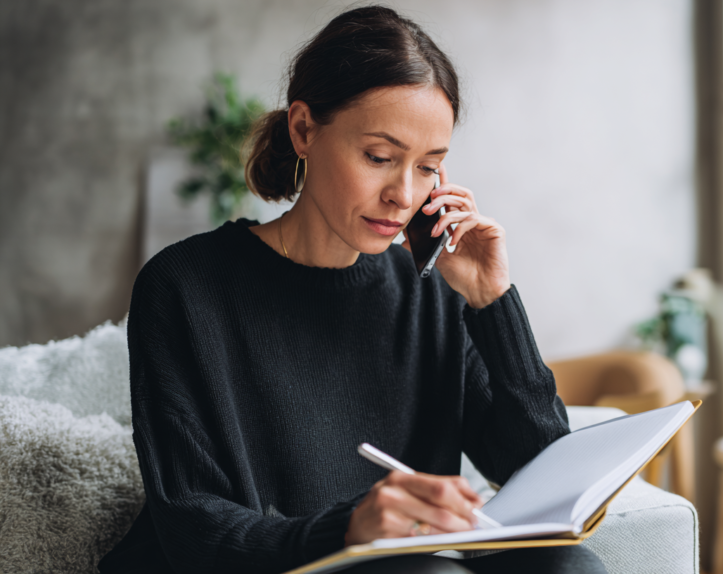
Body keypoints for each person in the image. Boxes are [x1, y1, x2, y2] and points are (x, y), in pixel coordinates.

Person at [98, 6, 606, 574]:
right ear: (304, 130)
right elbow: (193, 530)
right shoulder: (186, 286)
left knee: (570, 566)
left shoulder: (432, 292)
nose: (403, 194)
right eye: (380, 158)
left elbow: (538, 480)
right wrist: (349, 530)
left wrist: (492, 303)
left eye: (428, 167)